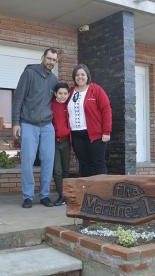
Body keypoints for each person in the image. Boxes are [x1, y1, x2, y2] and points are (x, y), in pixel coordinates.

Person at [12, 48, 59, 208]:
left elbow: (59, 102)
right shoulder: (29, 74)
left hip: (47, 126)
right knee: (27, 162)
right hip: (28, 124)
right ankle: (28, 196)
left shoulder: (54, 80)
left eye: (54, 60)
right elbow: (18, 98)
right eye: (49, 58)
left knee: (48, 161)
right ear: (42, 58)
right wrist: (15, 123)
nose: (51, 62)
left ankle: (45, 195)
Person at [67, 64, 112, 177]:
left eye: (83, 74)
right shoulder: (70, 91)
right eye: (77, 75)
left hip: (94, 135)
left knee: (98, 163)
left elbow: (106, 110)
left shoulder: (96, 89)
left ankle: (102, 192)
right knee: (83, 164)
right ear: (74, 77)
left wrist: (106, 131)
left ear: (87, 76)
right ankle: (87, 192)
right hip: (76, 135)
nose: (80, 77)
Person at [51, 82, 71, 206]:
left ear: (68, 94)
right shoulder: (50, 105)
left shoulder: (70, 105)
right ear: (55, 94)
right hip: (53, 142)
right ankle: (61, 195)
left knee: (66, 170)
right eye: (60, 93)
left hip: (66, 142)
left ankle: (66, 196)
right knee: (57, 170)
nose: (62, 96)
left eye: (65, 93)